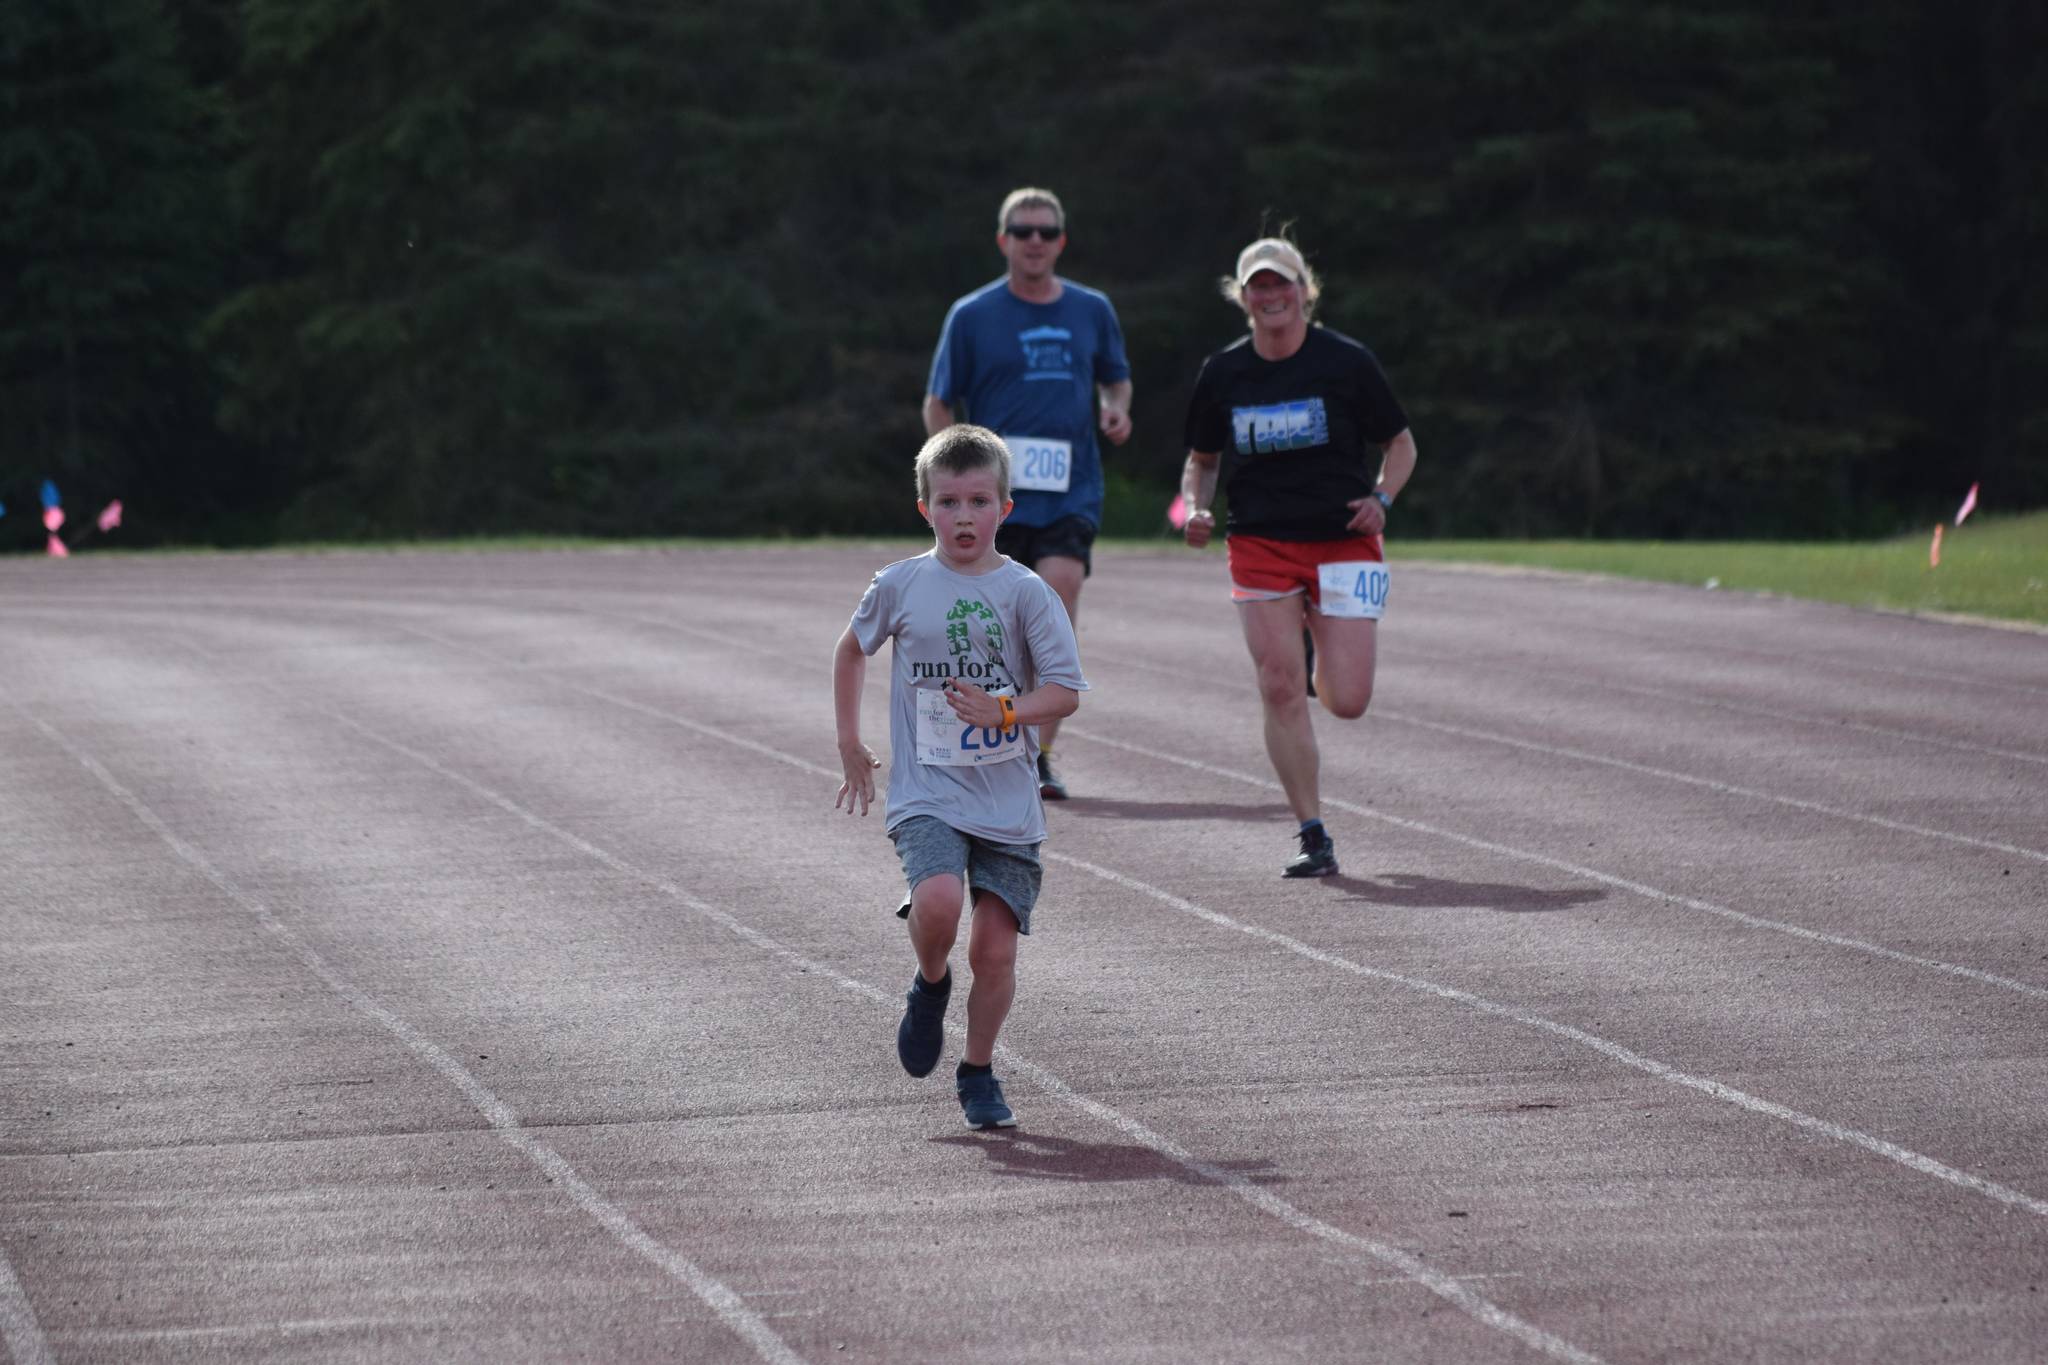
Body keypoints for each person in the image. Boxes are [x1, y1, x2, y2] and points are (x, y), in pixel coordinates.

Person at [833, 424, 1088, 1129]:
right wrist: (850, 740)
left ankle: (978, 1068)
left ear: (1005, 507)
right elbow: (851, 651)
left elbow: (1064, 690)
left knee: (996, 946)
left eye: (979, 500)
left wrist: (1005, 709)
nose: (965, 515)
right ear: (925, 509)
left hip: (1007, 799)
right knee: (939, 902)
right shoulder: (901, 583)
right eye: (949, 501)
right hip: (927, 791)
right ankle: (931, 982)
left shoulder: (1028, 593)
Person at [1178, 237, 1418, 878]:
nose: (1270, 295)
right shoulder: (1223, 373)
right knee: (1277, 686)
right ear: (1243, 296)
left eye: (1281, 283)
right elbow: (1201, 463)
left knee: (1348, 700)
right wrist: (1196, 509)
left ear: (1304, 290)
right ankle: (1313, 832)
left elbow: (1400, 443)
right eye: (1257, 285)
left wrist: (1383, 499)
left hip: (1344, 543)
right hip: (1260, 543)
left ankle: (1317, 649)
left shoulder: (1346, 362)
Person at [923, 186, 1131, 801]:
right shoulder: (972, 315)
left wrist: (1115, 412)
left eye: (1045, 231)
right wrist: (954, 477)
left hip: (1069, 489)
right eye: (1022, 231)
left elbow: (1117, 382)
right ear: (1003, 240)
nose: (1034, 241)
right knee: (992, 625)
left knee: (1057, 601)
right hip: (995, 497)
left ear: (1061, 241)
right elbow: (939, 401)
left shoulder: (1092, 309)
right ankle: (984, 740)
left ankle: (1039, 754)